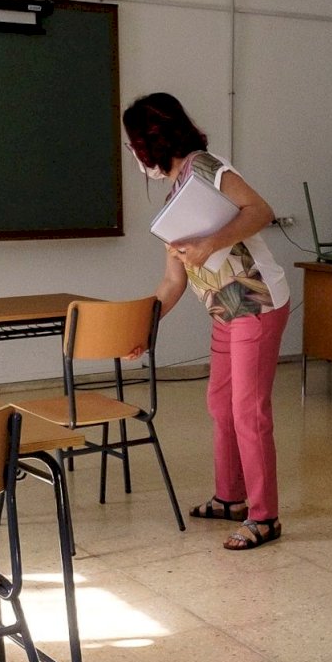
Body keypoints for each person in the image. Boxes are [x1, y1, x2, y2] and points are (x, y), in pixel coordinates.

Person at [123, 92, 290, 550]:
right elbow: (171, 284)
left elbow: (261, 210)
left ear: (148, 142)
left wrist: (209, 243)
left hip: (256, 303)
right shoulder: (174, 200)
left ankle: (265, 516)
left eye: (133, 145)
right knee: (221, 405)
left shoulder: (204, 166)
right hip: (226, 312)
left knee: (248, 412)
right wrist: (143, 326)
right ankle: (230, 497)